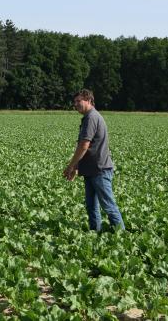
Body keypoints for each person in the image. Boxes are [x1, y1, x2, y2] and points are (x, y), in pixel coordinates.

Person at [63, 89, 125, 231]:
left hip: (100, 170)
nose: (76, 104)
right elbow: (89, 148)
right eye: (75, 102)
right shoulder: (89, 117)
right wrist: (78, 166)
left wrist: (71, 166)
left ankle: (122, 236)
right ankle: (94, 233)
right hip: (91, 170)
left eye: (79, 101)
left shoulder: (91, 117)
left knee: (109, 206)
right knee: (91, 206)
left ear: (89, 100)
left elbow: (84, 145)